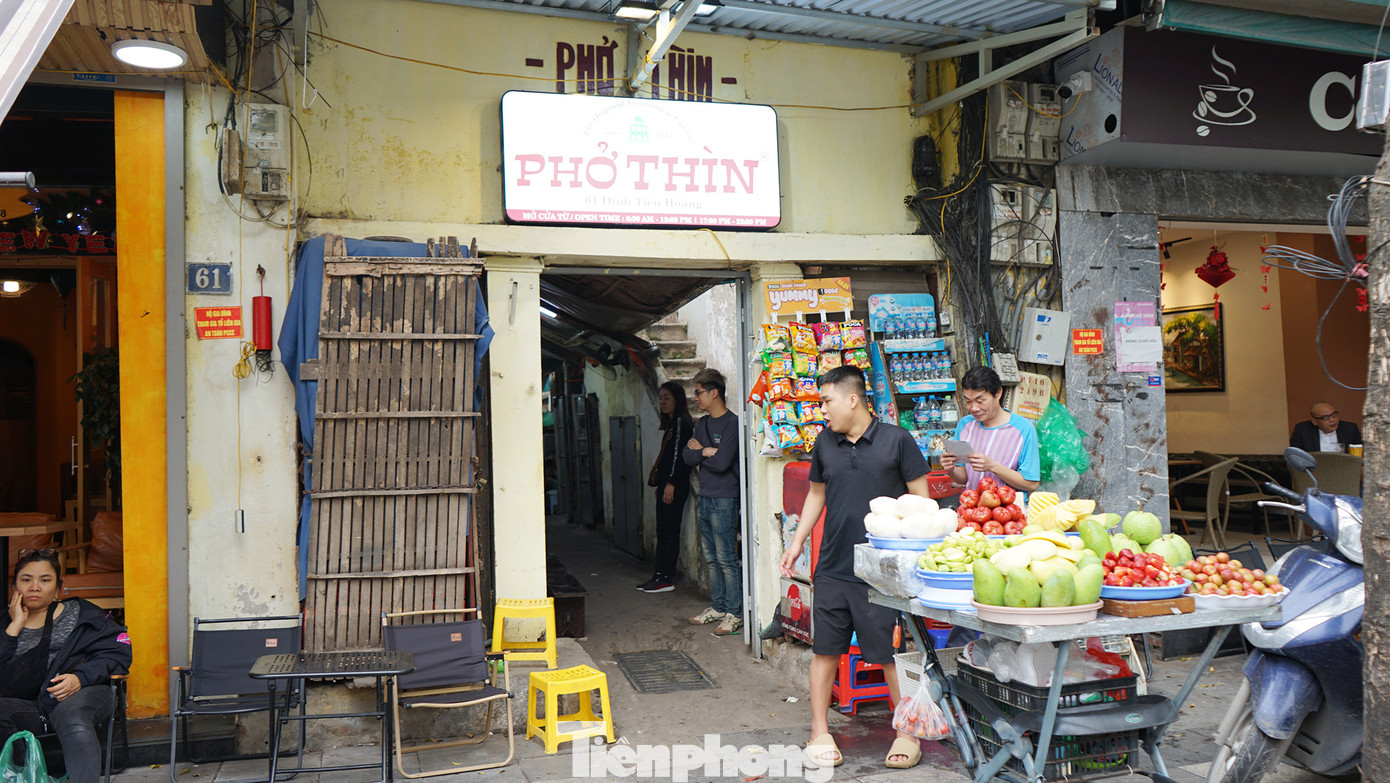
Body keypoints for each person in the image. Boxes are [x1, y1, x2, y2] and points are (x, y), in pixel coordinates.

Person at [779, 365, 932, 770]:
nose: (822, 409)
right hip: (831, 566)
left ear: (852, 399)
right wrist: (796, 544)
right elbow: (816, 495)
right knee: (825, 651)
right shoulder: (824, 444)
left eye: (826, 401)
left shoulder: (897, 441)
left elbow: (922, 505)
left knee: (887, 654)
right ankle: (819, 731)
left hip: (880, 574)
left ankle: (906, 732)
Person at [0, 549, 131, 783]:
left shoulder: (82, 615)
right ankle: (24, 776)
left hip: (81, 694)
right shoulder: (5, 624)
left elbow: (118, 653)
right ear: (14, 588)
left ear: (59, 587)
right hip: (33, 706)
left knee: (74, 719)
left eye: (45, 580)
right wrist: (14, 629)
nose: (35, 587)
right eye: (26, 579)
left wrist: (80, 677)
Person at [682, 368, 743, 637]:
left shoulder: (732, 423)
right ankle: (717, 607)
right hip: (705, 497)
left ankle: (735, 613)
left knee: (727, 558)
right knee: (711, 557)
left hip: (725, 499)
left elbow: (722, 463)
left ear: (714, 392)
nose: (695, 398)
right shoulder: (702, 424)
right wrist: (706, 451)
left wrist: (702, 453)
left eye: (698, 392)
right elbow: (687, 456)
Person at [939, 366, 1041, 494]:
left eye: (980, 401)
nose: (974, 408)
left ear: (998, 393)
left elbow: (1031, 484)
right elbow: (962, 478)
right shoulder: (964, 425)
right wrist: (951, 468)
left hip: (1008, 511)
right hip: (973, 510)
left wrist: (992, 466)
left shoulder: (1023, 429)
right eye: (968, 401)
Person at [637, 381, 695, 594]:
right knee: (663, 530)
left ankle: (666, 577)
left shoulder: (681, 422)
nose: (662, 402)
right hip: (666, 484)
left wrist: (670, 483)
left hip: (675, 485)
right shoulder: (672, 423)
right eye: (660, 398)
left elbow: (680, 455)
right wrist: (662, 484)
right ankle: (658, 574)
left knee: (669, 531)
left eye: (667, 398)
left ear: (678, 399)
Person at [1290, 402, 1362, 453]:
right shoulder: (1302, 430)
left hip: (1344, 470)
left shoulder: (1350, 429)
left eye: (1334, 415)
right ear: (1314, 421)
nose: (1332, 420)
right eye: (1325, 418)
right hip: (1315, 471)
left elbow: (1360, 455)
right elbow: (1296, 456)